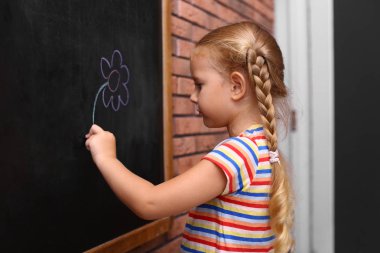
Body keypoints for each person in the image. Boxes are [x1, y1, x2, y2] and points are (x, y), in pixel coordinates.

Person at [85, 22, 294, 253]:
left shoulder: (237, 153)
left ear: (236, 86)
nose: (192, 96)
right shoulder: (261, 148)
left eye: (199, 84)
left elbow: (150, 203)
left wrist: (107, 158)